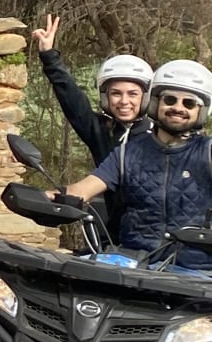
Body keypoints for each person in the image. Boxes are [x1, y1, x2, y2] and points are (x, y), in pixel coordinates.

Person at [57, 60, 212, 273]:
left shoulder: (207, 151)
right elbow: (82, 190)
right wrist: (47, 198)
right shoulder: (127, 152)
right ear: (155, 102)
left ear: (201, 111)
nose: (178, 108)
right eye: (170, 100)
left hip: (196, 270)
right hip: (133, 263)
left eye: (189, 103)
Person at [30, 14, 153, 242]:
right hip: (117, 237)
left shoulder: (159, 135)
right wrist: (49, 56)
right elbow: (72, 99)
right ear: (106, 98)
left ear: (145, 97)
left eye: (132, 94)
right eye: (116, 93)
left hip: (159, 237)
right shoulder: (102, 131)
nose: (124, 101)